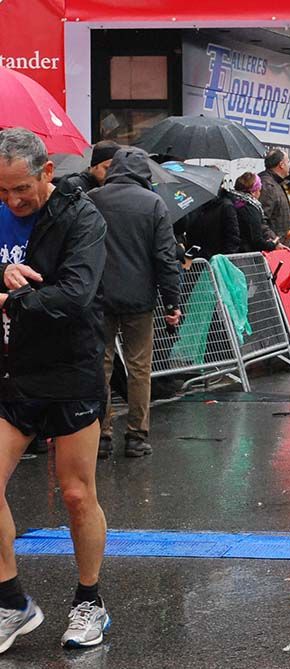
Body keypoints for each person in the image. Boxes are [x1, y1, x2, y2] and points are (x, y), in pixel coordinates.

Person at [0, 127, 111, 651]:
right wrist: (3, 274)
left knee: (75, 493)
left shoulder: (81, 216)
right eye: (1, 192)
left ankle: (90, 601)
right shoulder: (0, 209)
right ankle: (12, 602)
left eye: (20, 188)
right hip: (12, 371)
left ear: (46, 172)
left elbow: (75, 292)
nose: (12, 200)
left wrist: (13, 301)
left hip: (70, 368)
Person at [90, 147, 182, 458]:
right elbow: (165, 259)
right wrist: (172, 303)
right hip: (139, 299)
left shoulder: (94, 199)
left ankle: (100, 435)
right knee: (139, 367)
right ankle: (136, 436)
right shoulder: (154, 204)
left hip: (99, 296)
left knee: (99, 366)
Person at [182, 187, 240, 259]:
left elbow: (232, 237)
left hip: (218, 260)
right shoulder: (195, 206)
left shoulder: (226, 206)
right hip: (199, 259)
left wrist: (226, 260)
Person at [231, 172, 280, 253]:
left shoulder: (232, 202)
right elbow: (256, 240)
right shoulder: (250, 209)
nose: (260, 193)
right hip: (245, 254)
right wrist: (272, 244)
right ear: (253, 192)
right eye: (259, 190)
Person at [258, 149, 290, 242]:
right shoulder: (268, 185)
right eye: (288, 162)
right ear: (281, 165)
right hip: (273, 249)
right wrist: (275, 241)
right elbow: (261, 219)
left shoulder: (276, 183)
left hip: (280, 247)